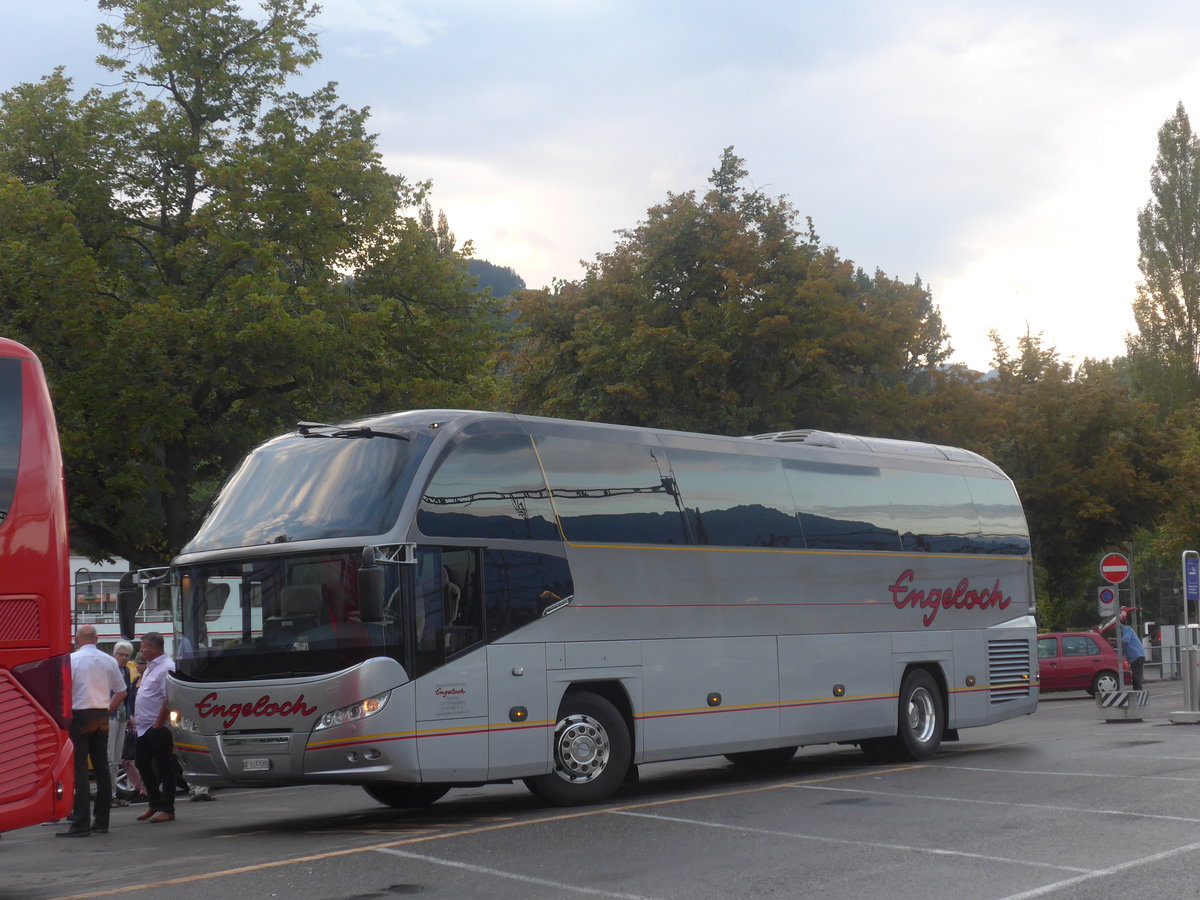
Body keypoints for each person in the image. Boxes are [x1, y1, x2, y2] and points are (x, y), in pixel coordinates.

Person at [58, 625, 127, 838]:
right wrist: (108, 708)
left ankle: (80, 823)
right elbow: (122, 691)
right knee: (102, 768)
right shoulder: (109, 661)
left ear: (76, 639)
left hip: (80, 716)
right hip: (101, 715)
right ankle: (101, 821)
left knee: (79, 769)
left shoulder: (72, 660)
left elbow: (63, 691)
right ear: (97, 639)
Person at [132, 632, 176, 823]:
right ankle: (154, 802)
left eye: (144, 647)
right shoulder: (151, 667)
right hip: (143, 727)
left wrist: (158, 724)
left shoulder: (166, 667)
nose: (141, 651)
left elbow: (168, 699)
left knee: (164, 766)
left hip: (157, 726)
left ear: (155, 648)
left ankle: (168, 808)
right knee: (142, 762)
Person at [107, 640, 135, 806]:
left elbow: (128, 695)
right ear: (114, 654)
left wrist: (130, 714)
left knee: (116, 759)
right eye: (121, 655)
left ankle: (112, 794)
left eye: (126, 655)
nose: (123, 658)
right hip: (110, 716)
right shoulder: (109, 670)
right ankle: (108, 795)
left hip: (122, 716)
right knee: (109, 758)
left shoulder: (125, 671)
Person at [1120, 614, 1147, 691]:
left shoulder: (1126, 629)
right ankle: (1137, 692)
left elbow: (1125, 641)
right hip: (1134, 657)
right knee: (1135, 676)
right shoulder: (1122, 633)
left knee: (1136, 676)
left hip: (1137, 656)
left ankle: (1139, 692)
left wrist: (1115, 640)